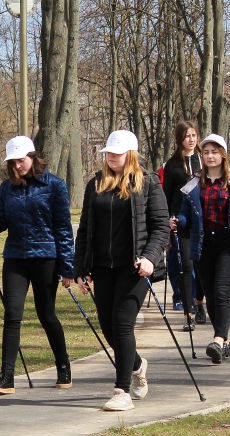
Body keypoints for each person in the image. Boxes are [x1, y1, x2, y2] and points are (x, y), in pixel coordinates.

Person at [74, 130, 169, 411]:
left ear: (131, 154)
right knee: (107, 326)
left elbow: (161, 227)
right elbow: (85, 230)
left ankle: (121, 390)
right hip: (103, 266)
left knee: (122, 323)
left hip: (135, 267)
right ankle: (137, 365)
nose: (111, 156)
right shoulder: (96, 185)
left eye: (117, 152)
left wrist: (151, 258)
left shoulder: (149, 184)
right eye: (108, 153)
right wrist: (81, 268)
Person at [0, 136, 75, 395]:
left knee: (46, 314)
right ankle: (6, 377)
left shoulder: (55, 186)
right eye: (13, 162)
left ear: (33, 158)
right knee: (12, 315)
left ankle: (63, 365)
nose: (18, 166)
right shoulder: (7, 188)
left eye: (22, 160)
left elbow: (63, 229)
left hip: (46, 258)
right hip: (16, 257)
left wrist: (67, 268)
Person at [176, 134, 230, 364]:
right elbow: (186, 215)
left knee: (222, 291)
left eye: (214, 151)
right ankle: (224, 343)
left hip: (228, 245)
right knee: (212, 295)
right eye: (206, 152)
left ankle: (218, 339)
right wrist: (179, 222)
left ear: (223, 154)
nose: (210, 156)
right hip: (203, 246)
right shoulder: (194, 182)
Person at [162, 121, 205, 331]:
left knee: (202, 266)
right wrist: (167, 221)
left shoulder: (204, 160)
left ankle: (200, 302)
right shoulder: (172, 165)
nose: (191, 139)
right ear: (180, 138)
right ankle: (189, 313)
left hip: (203, 221)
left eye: (194, 135)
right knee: (185, 267)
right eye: (187, 136)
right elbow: (167, 196)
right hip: (181, 221)